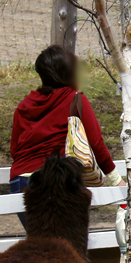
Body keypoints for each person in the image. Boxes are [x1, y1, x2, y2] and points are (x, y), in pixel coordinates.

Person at [10, 45, 121, 226]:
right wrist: (117, 181)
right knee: (65, 246)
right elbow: (96, 143)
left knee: (43, 244)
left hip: (20, 183)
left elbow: (15, 150)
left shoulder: (24, 105)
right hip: (57, 183)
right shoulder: (75, 99)